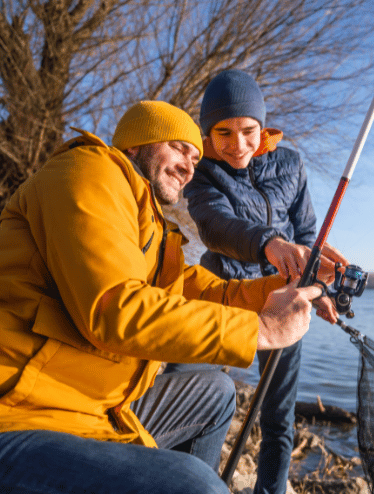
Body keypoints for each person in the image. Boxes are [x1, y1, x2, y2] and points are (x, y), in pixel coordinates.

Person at [0, 101, 338, 494]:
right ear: (136, 144)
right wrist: (260, 329)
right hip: (22, 414)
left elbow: (211, 292)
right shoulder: (89, 171)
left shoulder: (152, 228)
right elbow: (115, 308)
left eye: (196, 156)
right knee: (194, 485)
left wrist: (281, 289)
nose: (190, 166)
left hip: (96, 411)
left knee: (216, 391)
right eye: (178, 148)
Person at [182, 70, 348, 494]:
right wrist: (269, 243)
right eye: (223, 132)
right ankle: (187, 481)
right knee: (193, 390)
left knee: (278, 416)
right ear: (208, 132)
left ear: (263, 127)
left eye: (248, 131)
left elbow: (308, 234)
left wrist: (319, 289)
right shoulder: (202, 172)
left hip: (284, 296)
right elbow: (215, 225)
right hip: (219, 294)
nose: (237, 144)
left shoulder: (290, 164)